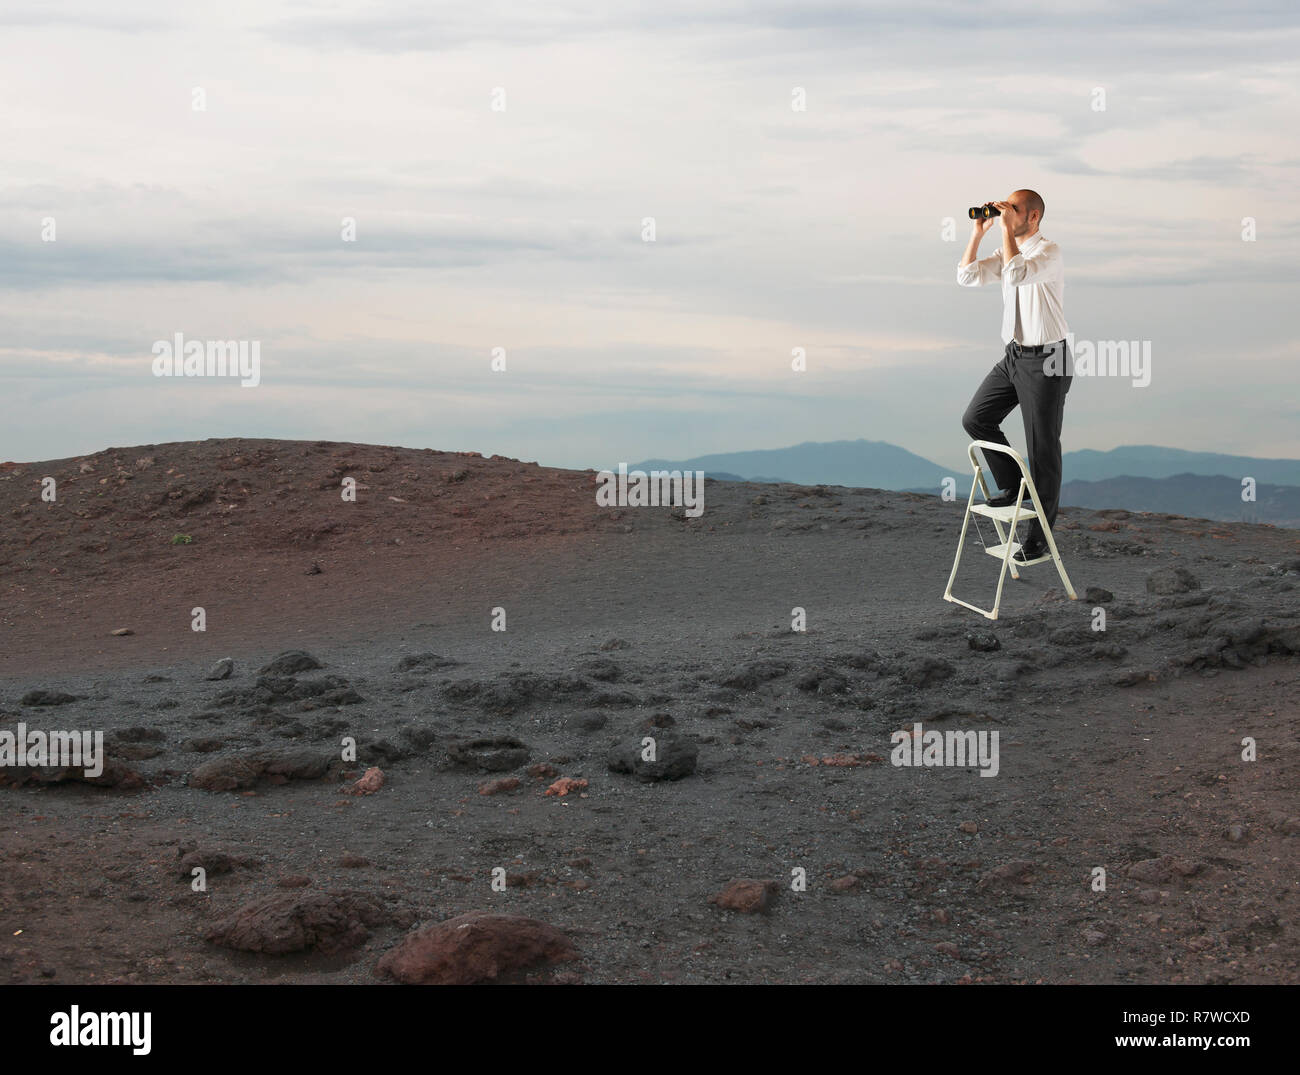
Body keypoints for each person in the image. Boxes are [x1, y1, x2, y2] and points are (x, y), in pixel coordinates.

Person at [957, 189, 1071, 564]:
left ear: (1033, 217)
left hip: (1048, 360)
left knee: (1042, 452)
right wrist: (979, 231)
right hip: (1014, 356)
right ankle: (1012, 486)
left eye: (1014, 209)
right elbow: (967, 278)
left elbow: (1018, 272)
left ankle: (1039, 541)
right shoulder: (1007, 252)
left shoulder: (1048, 252)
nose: (1007, 213)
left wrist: (1004, 233)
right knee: (977, 419)